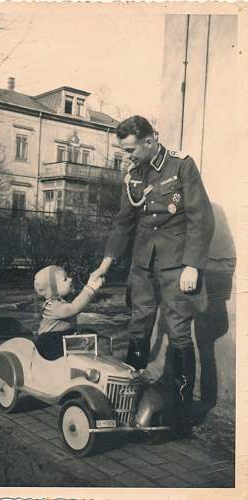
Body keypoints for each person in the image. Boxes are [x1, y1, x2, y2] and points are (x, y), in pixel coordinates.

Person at [92, 115, 215, 434]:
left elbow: (201, 218)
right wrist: (106, 262)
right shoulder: (132, 176)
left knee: (178, 333)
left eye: (131, 149)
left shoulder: (182, 166)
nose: (127, 156)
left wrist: (193, 264)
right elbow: (123, 223)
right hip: (143, 266)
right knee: (138, 327)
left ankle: (182, 412)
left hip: (177, 265)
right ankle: (128, 402)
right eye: (125, 151)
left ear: (150, 141)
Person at [34, 265, 103, 359]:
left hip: (61, 339)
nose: (70, 279)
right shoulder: (52, 306)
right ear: (53, 288)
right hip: (50, 344)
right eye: (65, 279)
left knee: (90, 334)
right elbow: (74, 308)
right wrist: (90, 289)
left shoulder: (60, 303)